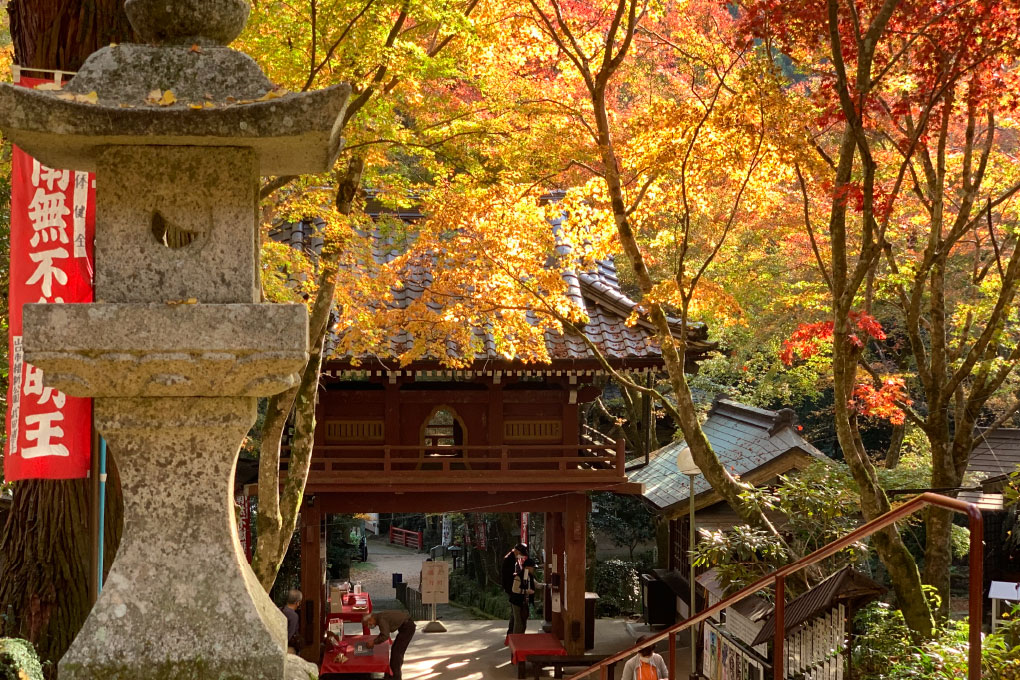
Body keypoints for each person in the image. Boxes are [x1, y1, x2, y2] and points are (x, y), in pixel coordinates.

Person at [363, 610, 416, 680]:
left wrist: (373, 642)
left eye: (368, 623)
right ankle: (390, 675)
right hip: (405, 625)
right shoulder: (379, 616)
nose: (369, 626)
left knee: (397, 653)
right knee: (395, 650)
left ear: (371, 618)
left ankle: (396, 677)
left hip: (407, 627)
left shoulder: (381, 620)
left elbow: (385, 636)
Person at [502, 543, 527, 640]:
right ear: (516, 550)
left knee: (514, 613)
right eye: (521, 553)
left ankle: (511, 634)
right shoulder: (509, 560)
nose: (521, 555)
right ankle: (513, 636)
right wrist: (519, 575)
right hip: (511, 589)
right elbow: (508, 576)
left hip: (512, 588)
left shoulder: (513, 558)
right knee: (516, 615)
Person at [509, 557, 537, 634]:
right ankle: (516, 640)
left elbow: (537, 584)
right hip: (516, 602)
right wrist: (526, 591)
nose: (533, 569)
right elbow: (515, 589)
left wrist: (547, 585)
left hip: (524, 602)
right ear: (527, 567)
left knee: (523, 621)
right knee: (518, 622)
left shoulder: (530, 576)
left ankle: (521, 638)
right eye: (532, 567)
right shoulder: (518, 576)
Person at [280, 589, 302, 654]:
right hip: (288, 647)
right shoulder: (294, 616)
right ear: (297, 602)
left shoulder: (279, 609)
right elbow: (290, 633)